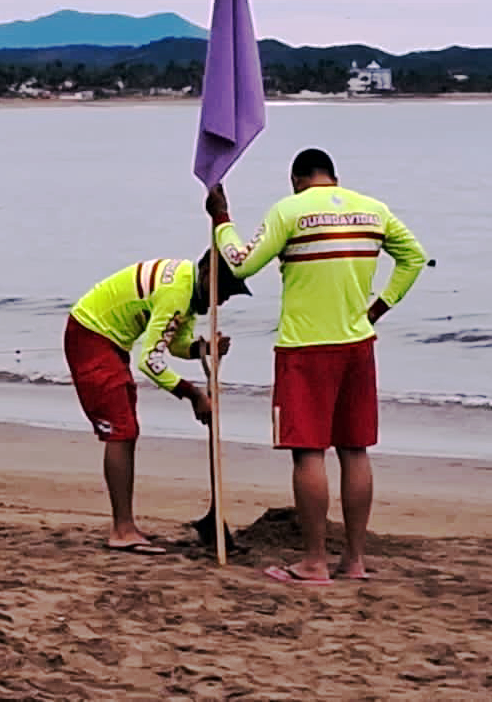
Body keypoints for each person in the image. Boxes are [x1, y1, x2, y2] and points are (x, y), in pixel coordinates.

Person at [205, 148, 428, 585]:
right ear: (334, 177)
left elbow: (240, 262)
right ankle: (355, 560)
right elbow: (414, 258)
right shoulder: (373, 210)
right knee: (354, 449)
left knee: (308, 451)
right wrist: (380, 306)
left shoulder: (289, 211)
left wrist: (222, 219)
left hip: (305, 348)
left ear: (296, 180)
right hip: (358, 343)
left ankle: (313, 561)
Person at [65, 253, 250, 554]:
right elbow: (150, 362)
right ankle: (122, 529)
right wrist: (193, 395)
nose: (221, 302)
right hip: (91, 337)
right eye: (222, 292)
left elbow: (174, 344)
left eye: (227, 296)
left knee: (127, 429)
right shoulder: (177, 292)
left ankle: (125, 525)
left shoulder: (187, 292)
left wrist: (202, 349)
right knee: (121, 430)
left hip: (109, 343)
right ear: (206, 275)